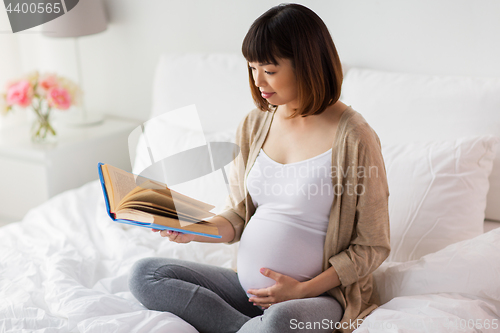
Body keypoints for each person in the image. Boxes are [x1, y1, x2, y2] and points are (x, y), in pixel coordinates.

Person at [128, 4, 390, 333]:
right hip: (248, 291)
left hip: (319, 298)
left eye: (269, 69)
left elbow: (373, 245)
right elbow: (239, 215)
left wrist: (300, 290)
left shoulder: (355, 137)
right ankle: (249, 328)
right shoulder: (255, 124)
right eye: (252, 68)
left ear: (306, 64)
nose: (258, 81)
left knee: (279, 321)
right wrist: (196, 228)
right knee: (146, 275)